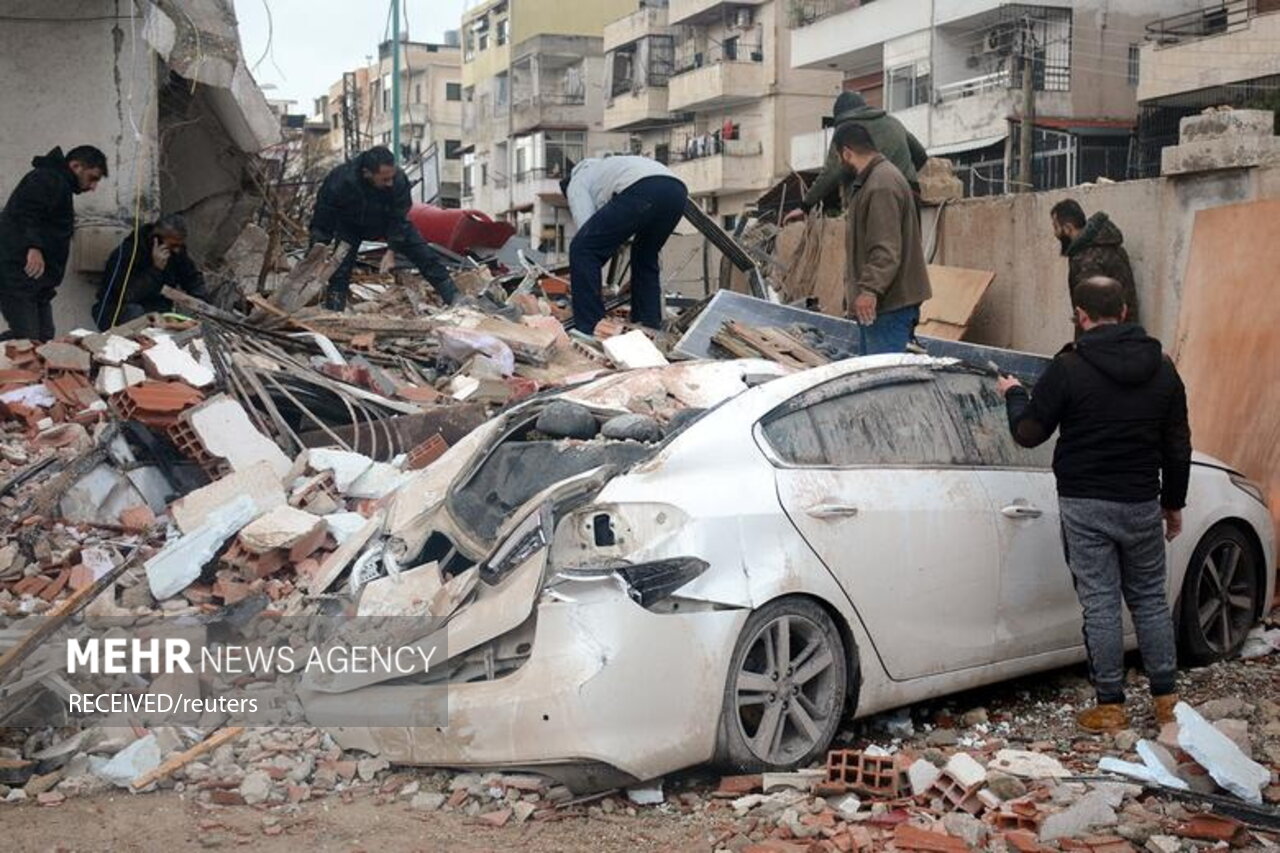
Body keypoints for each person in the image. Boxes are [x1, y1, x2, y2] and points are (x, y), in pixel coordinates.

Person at [996, 276, 1191, 734]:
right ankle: (1167, 700)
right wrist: (1173, 504)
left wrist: (1015, 395)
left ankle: (1111, 705)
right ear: (1125, 312)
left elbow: (1028, 434)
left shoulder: (1068, 368)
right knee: (1148, 599)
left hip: (1086, 505)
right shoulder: (1164, 369)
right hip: (1141, 501)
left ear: (1081, 317)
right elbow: (1178, 445)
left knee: (1101, 603)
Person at [309, 146, 458, 311]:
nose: (390, 183)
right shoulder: (340, 180)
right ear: (367, 173)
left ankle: (456, 301)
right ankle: (334, 312)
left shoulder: (398, 180)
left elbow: (400, 216)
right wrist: (316, 251)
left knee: (426, 257)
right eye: (384, 179)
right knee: (340, 270)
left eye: (391, 177)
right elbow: (323, 217)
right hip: (350, 225)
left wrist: (392, 249)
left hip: (388, 222)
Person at [560, 155, 688, 334]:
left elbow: (587, 236)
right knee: (645, 256)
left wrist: (594, 280)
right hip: (677, 191)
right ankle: (648, 325)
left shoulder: (577, 182)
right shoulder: (608, 168)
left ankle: (590, 326)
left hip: (644, 188)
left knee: (582, 250)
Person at [834, 123, 932, 355]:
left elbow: (885, 249)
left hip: (888, 307)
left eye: (840, 158)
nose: (840, 164)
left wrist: (869, 291)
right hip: (886, 306)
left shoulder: (880, 185)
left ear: (847, 153)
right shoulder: (876, 180)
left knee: (883, 382)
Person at [0, 145, 108, 341]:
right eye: (92, 178)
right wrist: (33, 247)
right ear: (76, 166)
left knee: (43, 340)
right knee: (30, 340)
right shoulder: (46, 179)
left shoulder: (58, 184)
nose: (93, 187)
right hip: (19, 278)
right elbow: (25, 213)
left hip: (37, 284)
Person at [785, 91, 928, 222]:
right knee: (910, 246)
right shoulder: (893, 122)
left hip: (876, 198)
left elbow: (831, 173)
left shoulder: (846, 130)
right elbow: (921, 156)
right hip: (910, 195)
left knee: (878, 245)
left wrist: (805, 206)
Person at [93, 214, 209, 330]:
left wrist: (201, 305)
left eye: (179, 246)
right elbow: (129, 295)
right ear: (156, 240)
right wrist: (155, 270)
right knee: (135, 312)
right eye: (173, 245)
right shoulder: (127, 253)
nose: (177, 250)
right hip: (118, 309)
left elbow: (192, 279)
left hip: (156, 309)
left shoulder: (176, 253)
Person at [1050, 199, 1139, 326]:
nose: (1055, 233)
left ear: (1068, 228)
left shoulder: (1086, 259)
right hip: (1124, 334)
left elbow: (1095, 315)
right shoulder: (1110, 247)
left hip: (1106, 339)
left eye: (1056, 227)